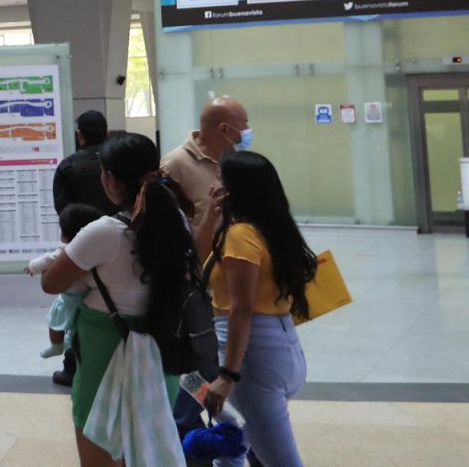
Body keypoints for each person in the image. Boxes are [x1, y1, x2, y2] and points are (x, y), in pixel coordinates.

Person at [41, 132, 192, 467]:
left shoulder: (103, 232)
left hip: (105, 350)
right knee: (150, 440)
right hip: (162, 348)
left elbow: (51, 283)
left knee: (101, 440)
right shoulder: (175, 220)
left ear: (109, 179)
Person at [200, 151, 316, 467]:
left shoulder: (240, 236)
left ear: (235, 188)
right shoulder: (274, 229)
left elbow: (242, 308)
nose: (214, 184)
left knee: (280, 461)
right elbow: (200, 259)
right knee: (231, 449)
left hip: (249, 357)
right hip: (282, 346)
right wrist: (212, 214)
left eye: (220, 178)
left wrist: (228, 374)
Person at [49, 110, 119, 386]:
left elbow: (64, 211)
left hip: (81, 248)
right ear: (107, 133)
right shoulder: (118, 164)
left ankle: (72, 365)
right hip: (121, 243)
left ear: (80, 135)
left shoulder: (68, 166)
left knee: (76, 304)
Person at [24, 203, 104, 363]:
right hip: (88, 297)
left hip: (69, 296)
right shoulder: (95, 249)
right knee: (76, 325)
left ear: (64, 233)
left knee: (55, 320)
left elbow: (47, 259)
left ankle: (56, 345)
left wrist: (32, 266)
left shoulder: (66, 250)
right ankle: (69, 343)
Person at [164, 96, 250, 229]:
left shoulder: (237, 161)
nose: (248, 129)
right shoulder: (174, 164)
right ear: (224, 129)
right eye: (244, 123)